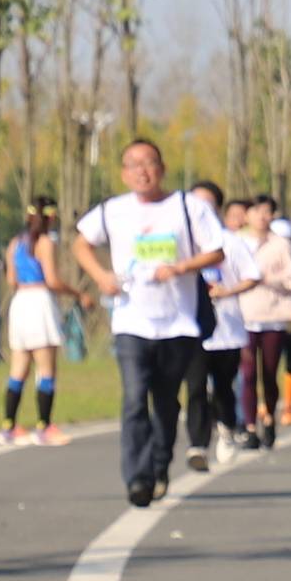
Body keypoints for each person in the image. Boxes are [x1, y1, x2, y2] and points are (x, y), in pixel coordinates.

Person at [71, 142, 224, 509]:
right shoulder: (112, 210)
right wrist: (100, 276)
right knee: (134, 396)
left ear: (162, 167)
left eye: (149, 164)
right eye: (133, 165)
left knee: (167, 401)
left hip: (178, 323)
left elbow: (216, 251)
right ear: (124, 173)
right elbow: (81, 244)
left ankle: (159, 465)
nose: (142, 171)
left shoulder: (189, 207)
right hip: (130, 319)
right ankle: (137, 477)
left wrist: (182, 267)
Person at [184, 181, 247, 472]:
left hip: (227, 328)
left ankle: (226, 428)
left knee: (223, 387)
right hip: (192, 328)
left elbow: (252, 276)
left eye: (206, 204)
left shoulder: (231, 242)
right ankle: (198, 444)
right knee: (196, 387)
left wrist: (226, 292)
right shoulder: (181, 241)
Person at [234, 196, 291, 449]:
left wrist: (267, 279)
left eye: (266, 212)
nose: (261, 216)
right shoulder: (236, 242)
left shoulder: (281, 244)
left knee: (269, 372)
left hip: (274, 315)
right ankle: (250, 427)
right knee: (248, 372)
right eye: (256, 211)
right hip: (244, 314)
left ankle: (269, 418)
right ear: (247, 215)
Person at [0, 205, 66, 448]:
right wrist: (78, 294)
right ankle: (44, 426)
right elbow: (52, 279)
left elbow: (11, 279)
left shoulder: (15, 243)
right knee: (46, 367)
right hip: (39, 301)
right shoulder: (46, 243)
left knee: (19, 368)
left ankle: (9, 425)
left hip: (20, 303)